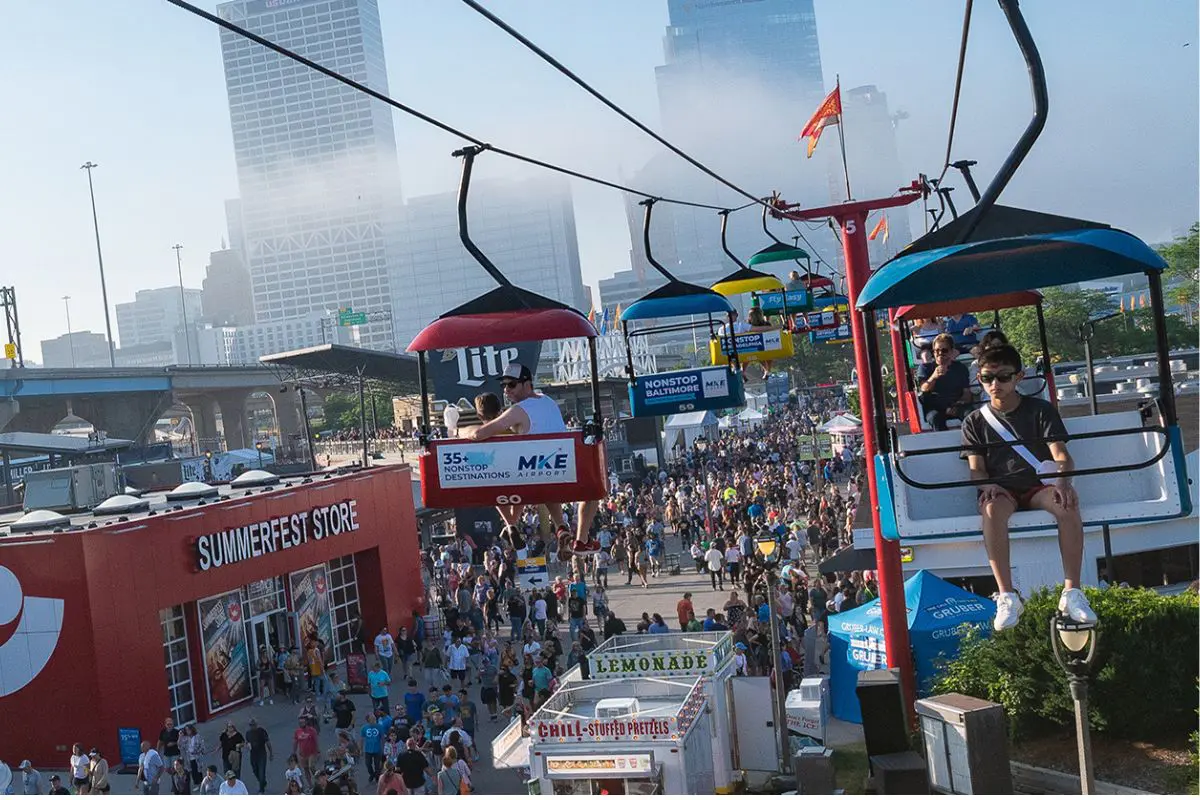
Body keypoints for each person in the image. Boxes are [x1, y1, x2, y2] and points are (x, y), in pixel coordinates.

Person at [961, 345, 1097, 631]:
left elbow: (1061, 456)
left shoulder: (1040, 410)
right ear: (979, 379)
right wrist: (988, 485)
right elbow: (977, 470)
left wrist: (1063, 481)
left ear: (1019, 377)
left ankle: (1072, 592)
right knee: (990, 508)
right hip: (1002, 489)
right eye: (987, 378)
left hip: (1038, 487)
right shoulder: (974, 421)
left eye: (1002, 377)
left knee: (1066, 503)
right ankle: (1007, 595)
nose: (994, 385)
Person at [469, 362, 601, 555]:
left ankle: (515, 524)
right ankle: (579, 538)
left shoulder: (517, 411)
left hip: (535, 481)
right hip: (564, 475)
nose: (506, 390)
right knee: (593, 491)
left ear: (527, 384)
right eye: (504, 386)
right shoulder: (547, 400)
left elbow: (480, 434)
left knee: (497, 477)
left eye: (511, 385)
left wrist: (463, 431)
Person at [917, 333, 972, 430]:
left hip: (957, 406)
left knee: (971, 416)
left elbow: (967, 393)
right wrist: (934, 376)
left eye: (944, 350)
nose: (940, 353)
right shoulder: (925, 368)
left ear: (951, 351)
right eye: (936, 350)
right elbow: (923, 389)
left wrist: (958, 404)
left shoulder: (960, 368)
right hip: (935, 408)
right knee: (935, 418)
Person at [244, 718, 272, 794]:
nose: (252, 727)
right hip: (253, 756)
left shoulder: (261, 731)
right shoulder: (248, 733)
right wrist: (247, 745)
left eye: (253, 725)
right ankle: (263, 782)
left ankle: (261, 790)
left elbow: (268, 742)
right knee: (255, 771)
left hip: (262, 754)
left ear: (256, 725)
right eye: (251, 725)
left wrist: (271, 753)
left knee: (261, 772)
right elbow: (247, 742)